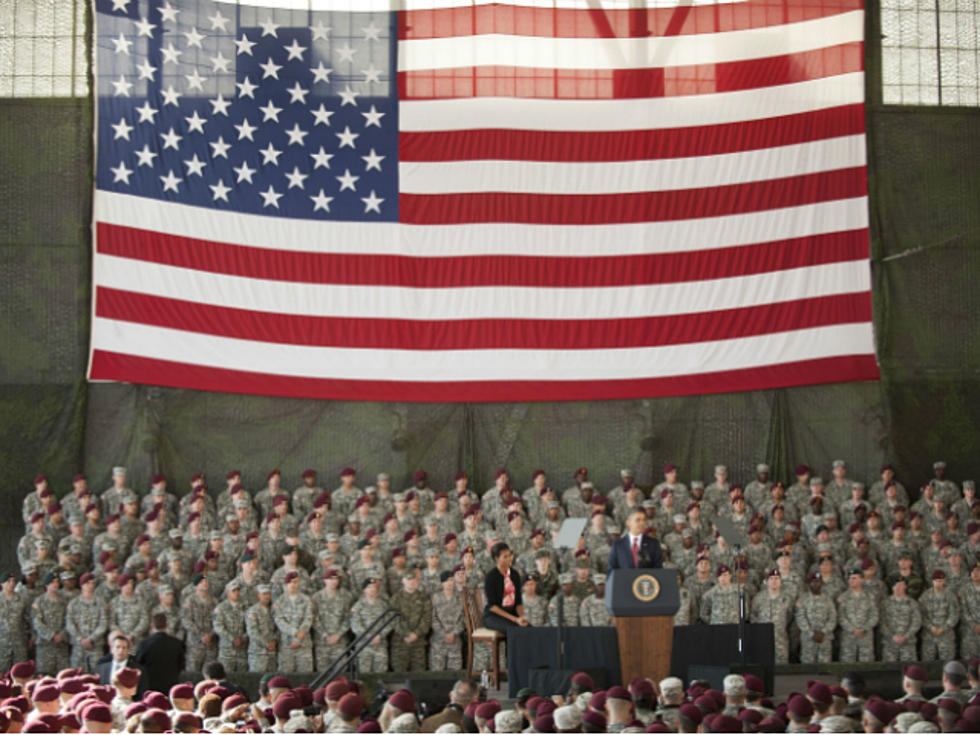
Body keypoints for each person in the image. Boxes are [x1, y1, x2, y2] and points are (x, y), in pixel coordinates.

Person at [133, 612, 186, 693]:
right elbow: (181, 665)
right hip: (170, 686)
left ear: (151, 625)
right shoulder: (177, 644)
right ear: (167, 625)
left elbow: (138, 665)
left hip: (150, 686)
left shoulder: (144, 644)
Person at [482, 542, 527, 632]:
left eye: (509, 555)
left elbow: (518, 602)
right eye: (505, 557)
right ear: (497, 559)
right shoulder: (491, 576)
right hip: (494, 616)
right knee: (514, 630)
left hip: (512, 613)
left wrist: (522, 617)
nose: (509, 559)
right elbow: (492, 606)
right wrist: (515, 619)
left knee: (529, 629)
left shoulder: (515, 575)